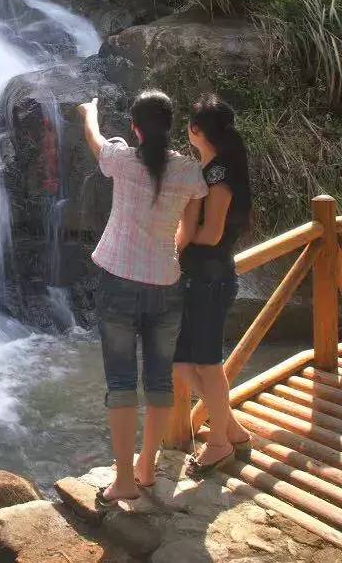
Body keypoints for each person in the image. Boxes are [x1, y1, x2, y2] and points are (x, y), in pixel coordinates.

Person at [77, 90, 208, 504]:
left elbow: (95, 139)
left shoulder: (123, 160)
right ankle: (146, 470)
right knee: (157, 381)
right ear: (170, 126)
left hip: (117, 280)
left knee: (120, 383)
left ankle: (123, 481)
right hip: (166, 285)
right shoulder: (189, 173)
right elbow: (188, 231)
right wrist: (167, 254)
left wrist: (90, 112)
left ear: (135, 127)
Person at [174, 94, 253, 477]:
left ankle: (219, 444)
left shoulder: (219, 173)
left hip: (211, 277)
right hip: (201, 277)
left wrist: (176, 238)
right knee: (184, 362)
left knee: (207, 363)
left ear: (196, 130)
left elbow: (211, 233)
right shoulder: (213, 169)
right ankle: (232, 429)